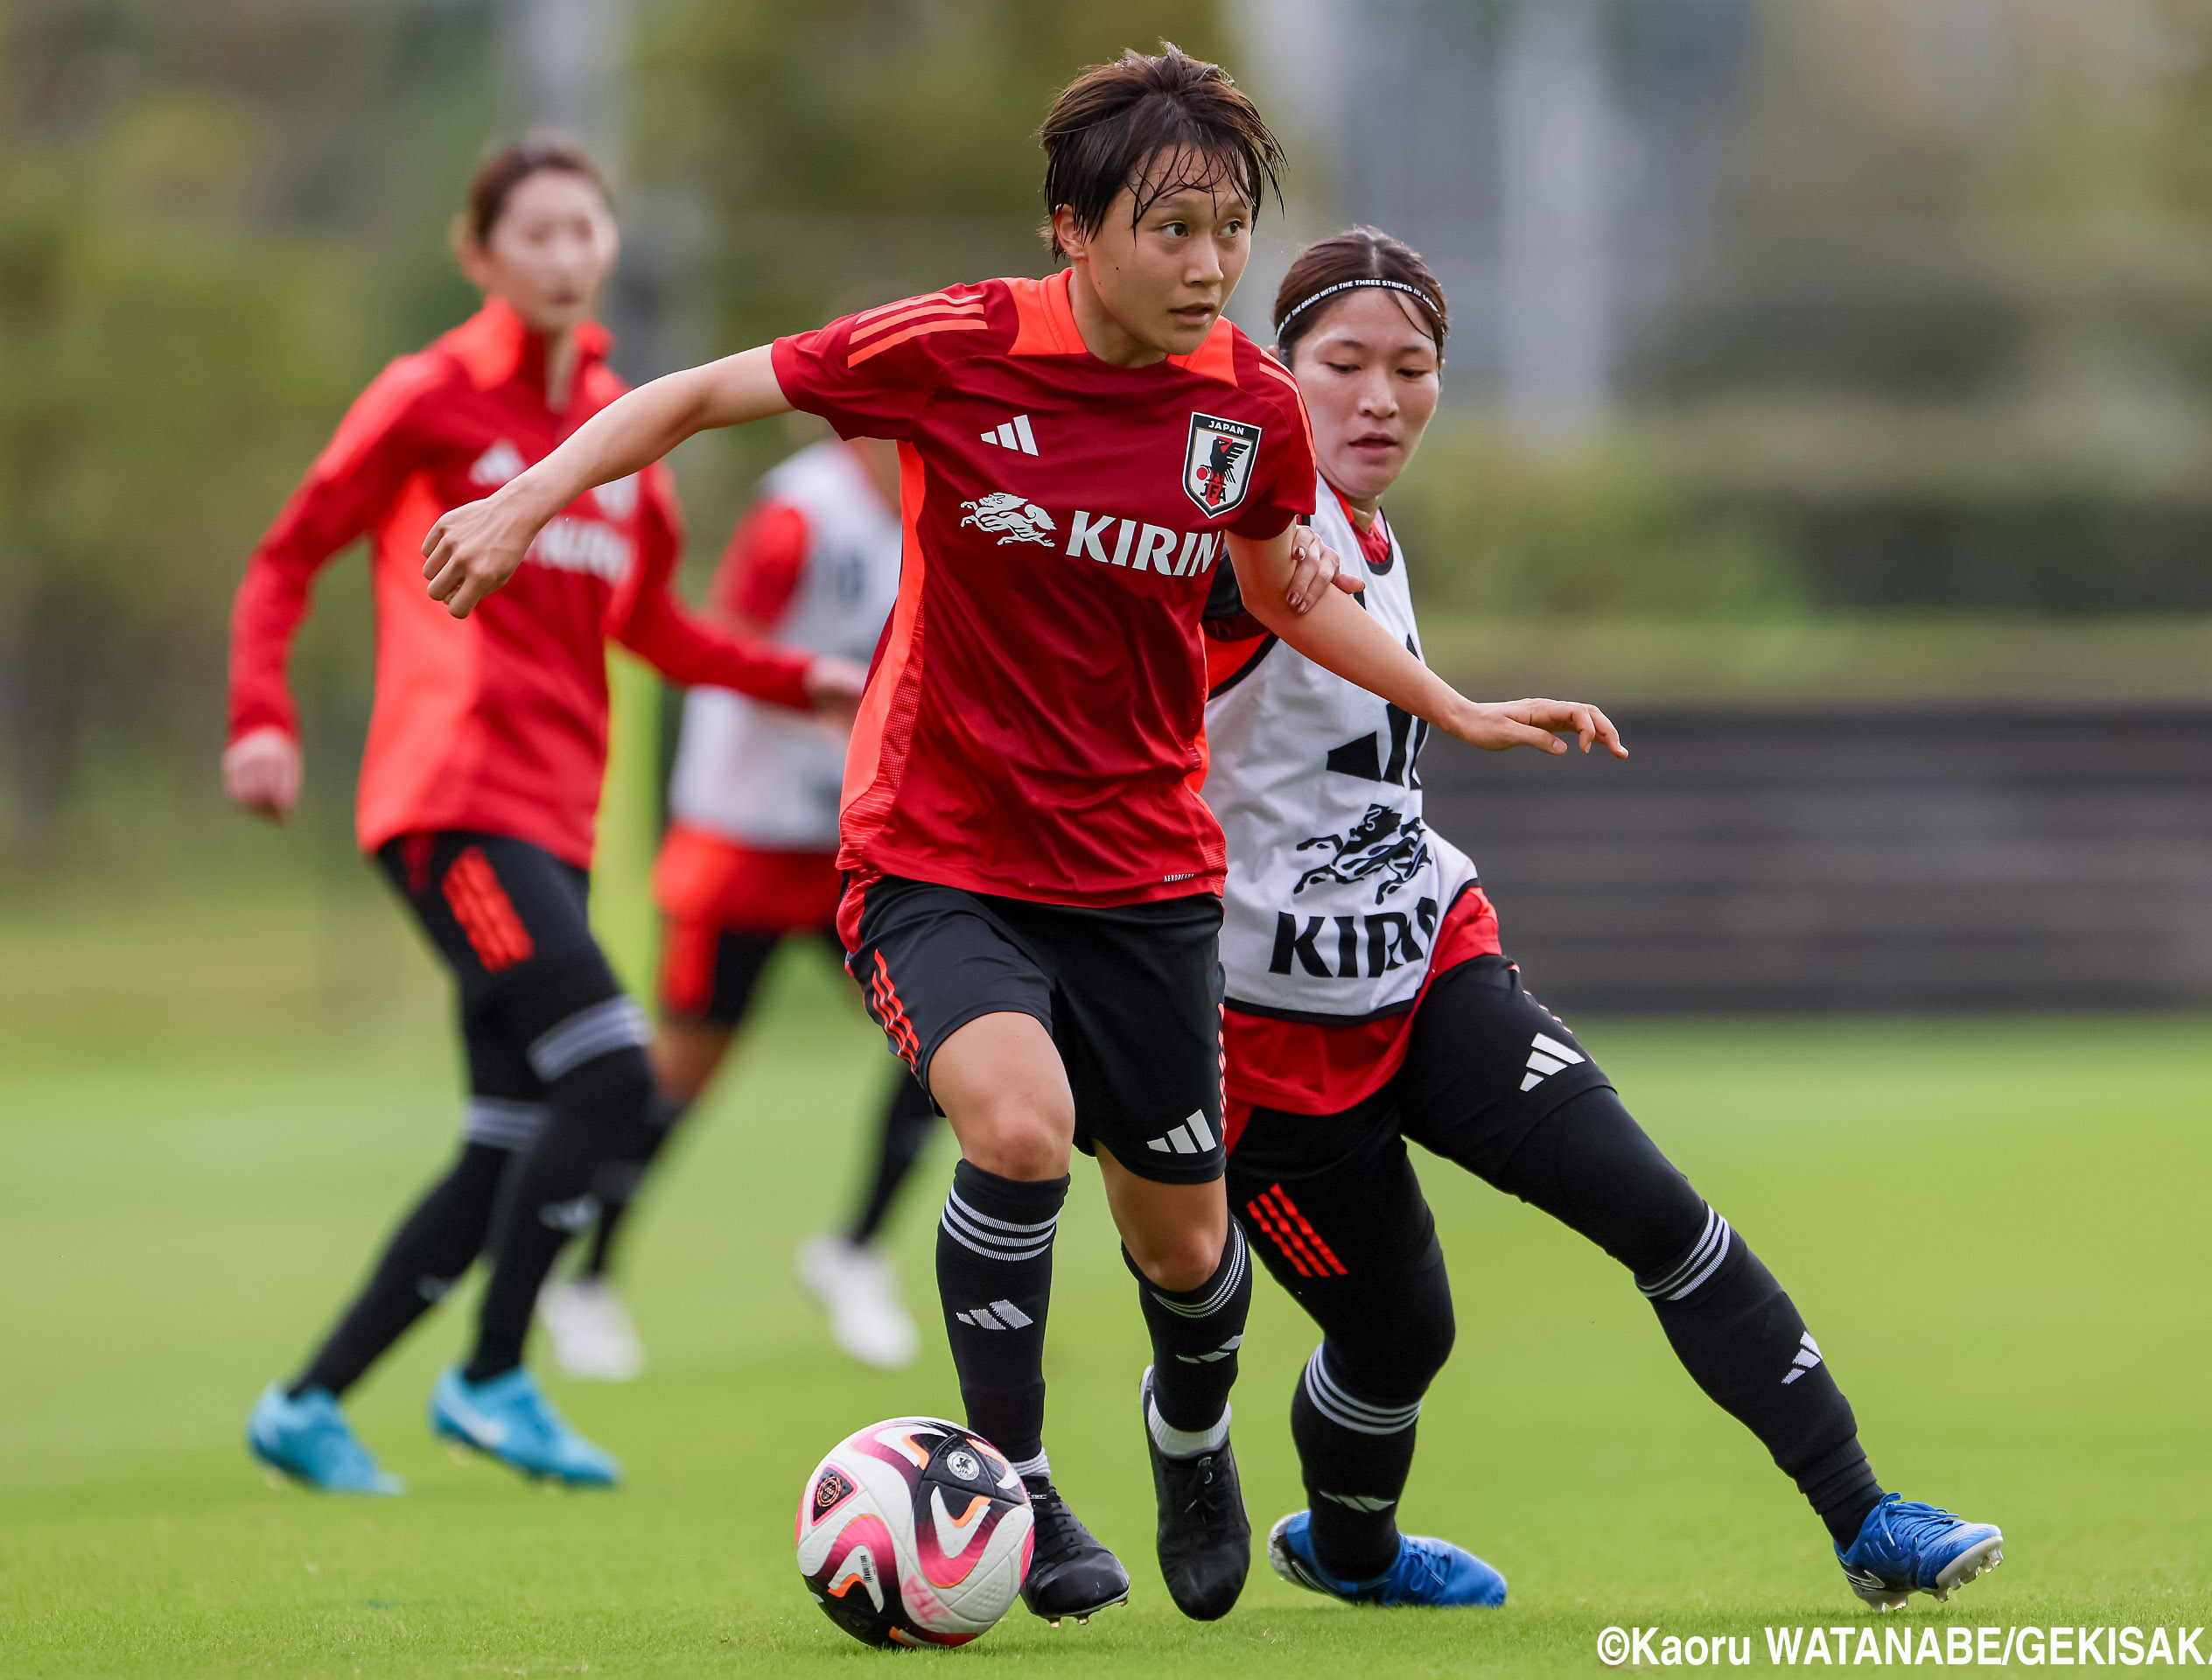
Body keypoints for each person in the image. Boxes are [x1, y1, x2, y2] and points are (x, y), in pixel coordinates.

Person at [416, 48, 1615, 1625]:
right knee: (1019, 1130)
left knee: (1187, 1249)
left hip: (1147, 878)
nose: (1206, 267)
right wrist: (521, 503)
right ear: (1074, 229)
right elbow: (702, 392)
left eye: (1228, 230)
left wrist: (1449, 705)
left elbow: (1281, 593)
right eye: (1169, 229)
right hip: (938, 851)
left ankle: (1190, 1439)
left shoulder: (1247, 406)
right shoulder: (960, 346)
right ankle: (1019, 1486)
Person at [1200, 228, 2006, 1612]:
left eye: (1415, 367)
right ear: (1279, 372)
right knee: (1398, 1335)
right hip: (1265, 1039)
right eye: (1345, 364)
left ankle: (1870, 1519)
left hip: (1432, 962)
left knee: (1661, 1215)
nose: (1381, 397)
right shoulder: (1232, 545)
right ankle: (1350, 1555)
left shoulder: (1378, 539)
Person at [225, 140, 863, 1494]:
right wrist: (261, 716)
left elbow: (655, 630)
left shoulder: (624, 434)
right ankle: (496, 1374)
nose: (571, 255)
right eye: (540, 233)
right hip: (450, 806)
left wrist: (799, 674)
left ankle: (307, 1402)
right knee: (612, 1070)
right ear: (481, 255)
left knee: (508, 1135)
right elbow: (288, 554)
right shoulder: (427, 400)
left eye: (591, 230)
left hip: (554, 830)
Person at [538, 434, 938, 1381]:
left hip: (855, 839)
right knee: (680, 1075)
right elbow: (719, 635)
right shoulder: (801, 512)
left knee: (948, 1044)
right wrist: (819, 693)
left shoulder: (939, 511)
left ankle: (854, 1250)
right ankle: (585, 1281)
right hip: (746, 833)